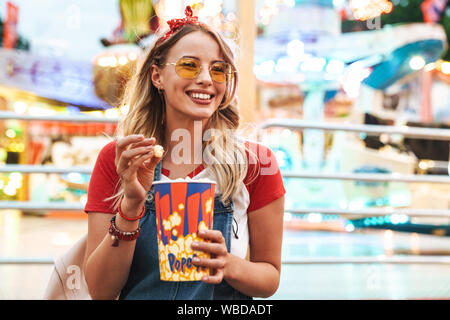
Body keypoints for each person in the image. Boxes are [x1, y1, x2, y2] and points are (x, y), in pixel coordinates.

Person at [83, 6, 285, 300]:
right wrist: (130, 208)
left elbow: (270, 278)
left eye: (218, 69)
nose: (206, 78)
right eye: (189, 65)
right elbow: (101, 291)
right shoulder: (119, 159)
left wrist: (229, 265)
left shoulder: (255, 163)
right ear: (157, 76)